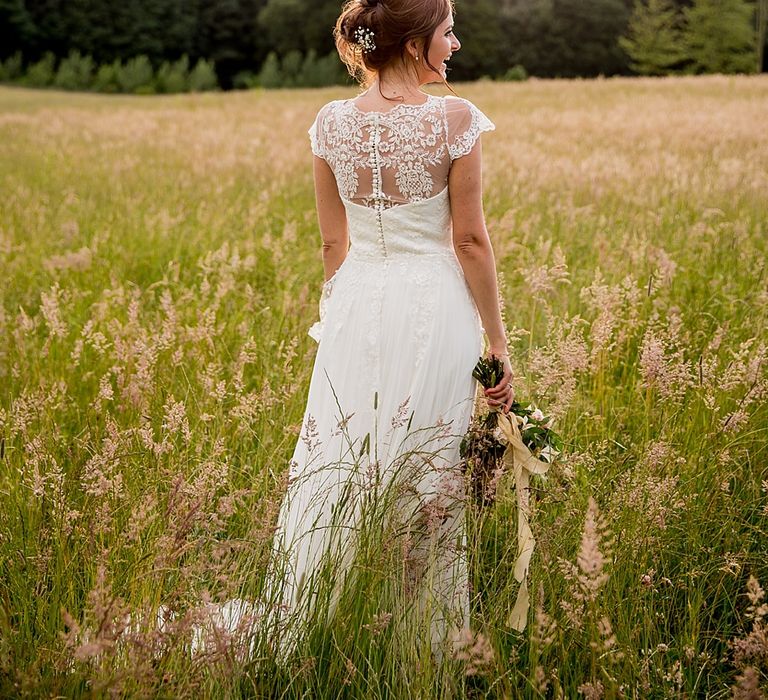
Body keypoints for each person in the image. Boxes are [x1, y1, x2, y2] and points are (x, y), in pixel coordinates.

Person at [261, 0, 516, 663]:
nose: (455, 44)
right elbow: (469, 240)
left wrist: (348, 312)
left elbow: (330, 245)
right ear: (413, 45)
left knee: (338, 462)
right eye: (447, 31)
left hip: (353, 307)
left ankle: (303, 626)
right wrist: (497, 344)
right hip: (435, 307)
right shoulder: (454, 120)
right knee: (429, 472)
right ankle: (419, 650)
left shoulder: (330, 122)